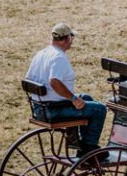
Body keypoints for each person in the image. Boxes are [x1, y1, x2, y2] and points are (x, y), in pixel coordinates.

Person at [26, 23, 107, 156]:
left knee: (86, 98)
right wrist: (73, 98)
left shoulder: (41, 54)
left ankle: (78, 142)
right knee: (99, 109)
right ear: (66, 39)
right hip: (53, 110)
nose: (72, 40)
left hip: (39, 107)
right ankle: (89, 150)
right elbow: (54, 81)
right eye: (71, 37)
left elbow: (28, 80)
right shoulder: (58, 57)